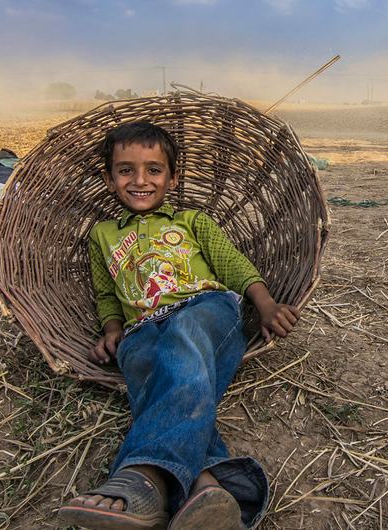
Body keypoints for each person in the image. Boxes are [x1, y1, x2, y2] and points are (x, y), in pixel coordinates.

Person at [59, 121, 299, 530]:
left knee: (183, 337)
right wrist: (113, 329)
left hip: (205, 310)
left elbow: (232, 265)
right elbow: (106, 294)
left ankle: (143, 478)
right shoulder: (102, 235)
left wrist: (265, 303)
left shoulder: (192, 221)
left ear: (172, 177)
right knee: (145, 365)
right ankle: (207, 489)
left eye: (154, 170)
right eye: (125, 170)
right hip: (141, 328)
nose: (140, 180)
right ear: (108, 177)